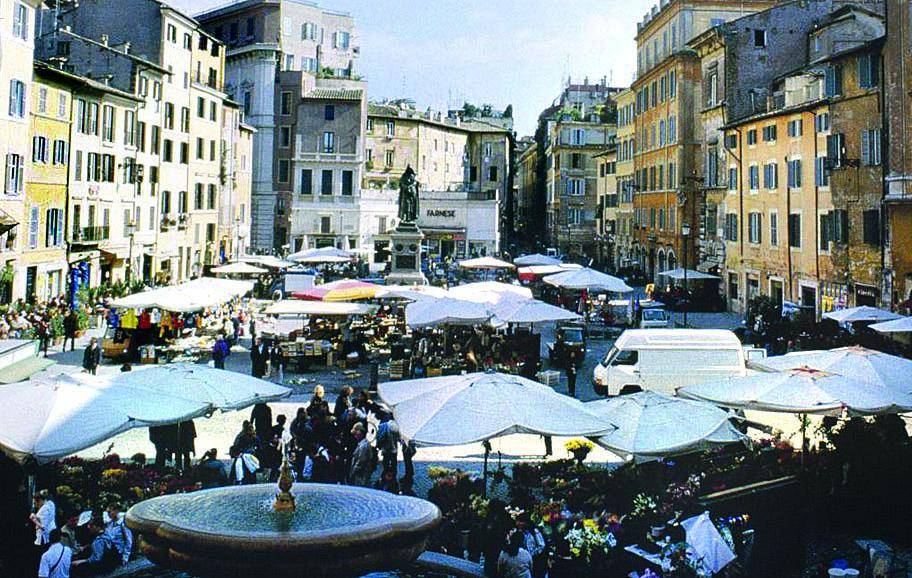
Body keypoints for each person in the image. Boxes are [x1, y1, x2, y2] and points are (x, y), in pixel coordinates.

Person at [516, 514, 546, 578]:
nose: (518, 523)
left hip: (535, 560)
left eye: (520, 521)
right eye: (517, 521)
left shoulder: (534, 531)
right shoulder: (517, 532)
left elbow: (541, 545)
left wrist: (532, 554)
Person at [348, 423, 376, 487]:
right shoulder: (361, 444)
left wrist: (353, 472)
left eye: (356, 434)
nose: (355, 436)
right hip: (361, 476)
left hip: (361, 476)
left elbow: (361, 461)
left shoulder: (363, 446)